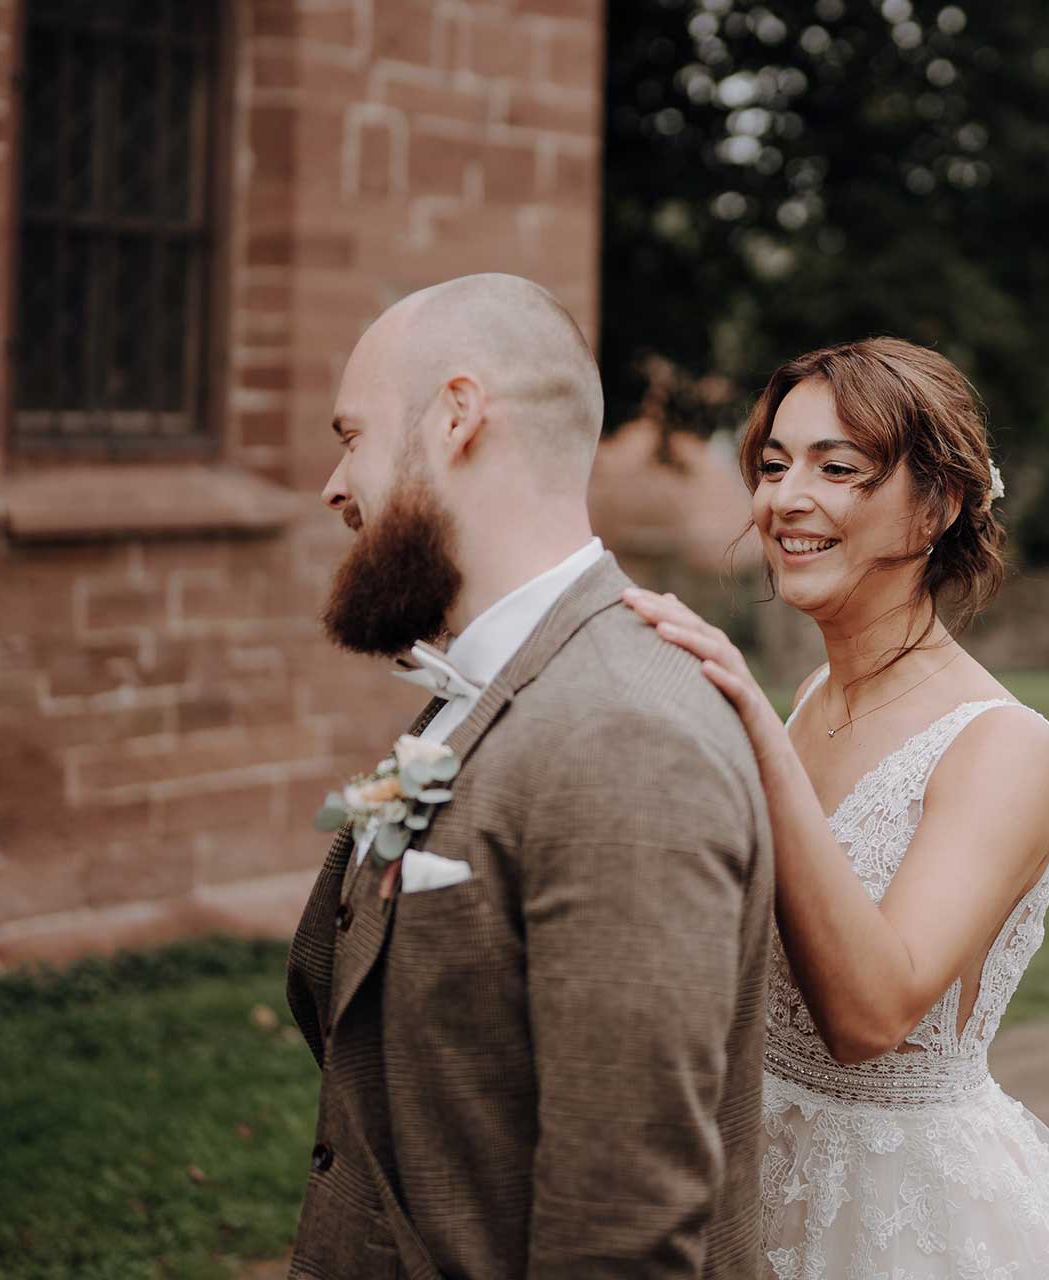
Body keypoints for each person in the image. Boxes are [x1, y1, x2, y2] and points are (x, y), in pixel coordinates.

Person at [626, 337, 1049, 1279]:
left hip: (898, 1214)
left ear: (937, 507)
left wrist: (750, 731)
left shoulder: (1002, 747)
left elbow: (870, 1019)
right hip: (753, 1170)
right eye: (775, 464)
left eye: (839, 469)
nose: (787, 497)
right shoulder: (811, 703)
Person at [286, 273, 774, 1279]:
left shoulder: (626, 737)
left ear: (457, 415)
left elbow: (623, 1223)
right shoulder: (485, 682)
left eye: (353, 435)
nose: (335, 485)